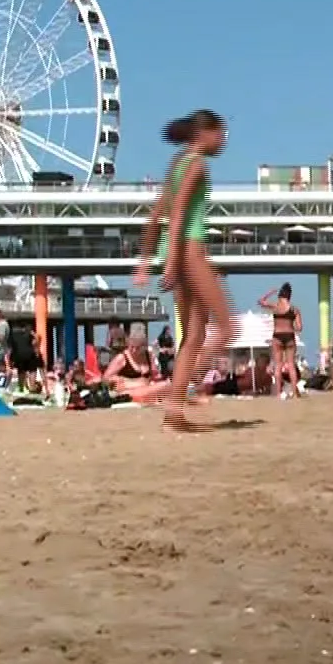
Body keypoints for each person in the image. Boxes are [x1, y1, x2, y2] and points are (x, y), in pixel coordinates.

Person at [135, 109, 234, 431]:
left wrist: (147, 260)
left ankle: (173, 415)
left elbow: (156, 214)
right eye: (221, 134)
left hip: (175, 250)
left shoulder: (178, 161)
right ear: (205, 134)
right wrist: (174, 262)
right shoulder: (197, 164)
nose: (223, 141)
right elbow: (177, 213)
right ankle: (184, 388)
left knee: (194, 335)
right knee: (227, 328)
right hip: (190, 251)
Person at [258, 283, 303, 398]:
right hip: (289, 335)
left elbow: (261, 301)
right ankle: (294, 393)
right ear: (290, 296)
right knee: (291, 365)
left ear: (280, 295)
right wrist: (290, 327)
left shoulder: (275, 307)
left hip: (277, 336)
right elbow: (299, 328)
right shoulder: (294, 310)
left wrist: (270, 292)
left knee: (278, 365)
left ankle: (278, 393)